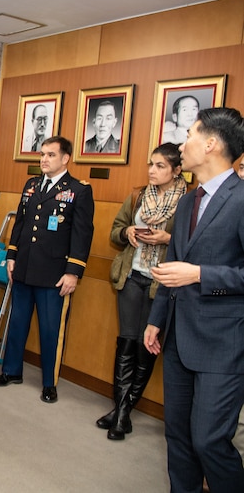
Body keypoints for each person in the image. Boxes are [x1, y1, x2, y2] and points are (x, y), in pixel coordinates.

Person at [144, 107, 244, 492]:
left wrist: (200, 275)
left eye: (189, 134)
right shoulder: (188, 201)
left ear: (212, 143)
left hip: (224, 344)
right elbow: (173, 265)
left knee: (209, 441)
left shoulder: (239, 198)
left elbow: (193, 270)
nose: (181, 144)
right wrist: (156, 319)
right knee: (179, 439)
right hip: (178, 338)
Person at [0, 136, 94, 403]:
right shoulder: (32, 184)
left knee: (50, 330)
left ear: (65, 158)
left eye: (50, 155)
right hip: (24, 268)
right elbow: (21, 224)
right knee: (17, 323)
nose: (44, 160)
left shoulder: (78, 190)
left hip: (54, 275)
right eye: (42, 155)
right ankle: (11, 371)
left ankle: (50, 383)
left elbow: (82, 235)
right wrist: (11, 256)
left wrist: (73, 272)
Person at [97, 143, 186, 440]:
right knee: (126, 342)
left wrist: (167, 238)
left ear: (176, 170)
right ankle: (121, 412)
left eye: (160, 166)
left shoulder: (187, 202)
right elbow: (115, 231)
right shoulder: (138, 195)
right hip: (132, 276)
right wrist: (128, 233)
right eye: (151, 164)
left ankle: (123, 411)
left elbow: (193, 245)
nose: (152, 170)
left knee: (146, 347)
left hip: (162, 283)